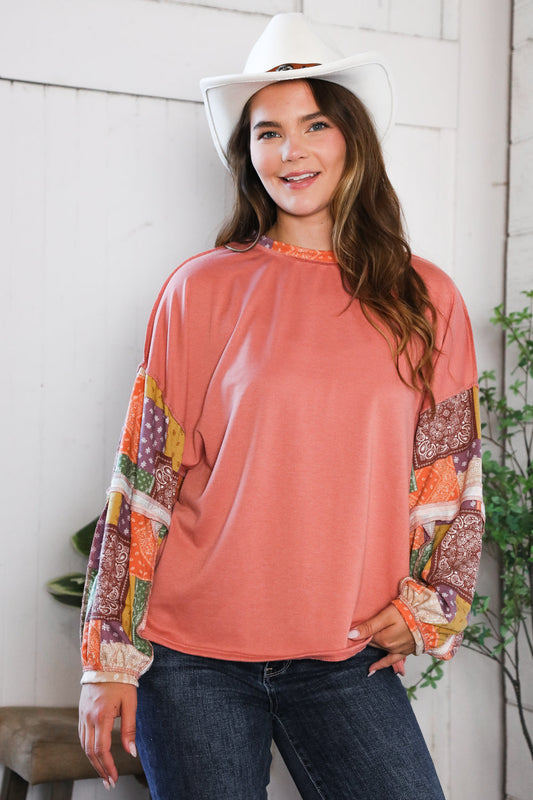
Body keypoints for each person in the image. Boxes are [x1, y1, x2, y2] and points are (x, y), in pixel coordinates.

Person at [78, 13, 484, 800]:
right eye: (268, 132)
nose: (290, 150)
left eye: (314, 124)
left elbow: (451, 471)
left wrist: (433, 602)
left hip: (343, 654)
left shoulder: (424, 297)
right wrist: (108, 659)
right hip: (191, 659)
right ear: (248, 154)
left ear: (352, 139)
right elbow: (145, 475)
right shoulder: (199, 288)